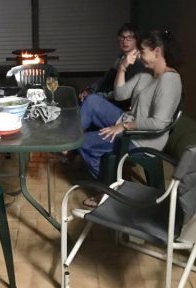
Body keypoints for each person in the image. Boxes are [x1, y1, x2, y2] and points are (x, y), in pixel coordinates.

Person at [78, 30, 182, 201]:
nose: (139, 55)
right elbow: (120, 95)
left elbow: (158, 123)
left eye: (143, 51)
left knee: (84, 143)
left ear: (157, 52)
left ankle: (107, 192)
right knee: (92, 101)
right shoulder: (146, 74)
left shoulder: (170, 81)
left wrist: (123, 127)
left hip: (142, 139)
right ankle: (70, 142)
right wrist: (122, 67)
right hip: (128, 122)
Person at [78, 23, 146, 107]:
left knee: (88, 102)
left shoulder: (138, 62)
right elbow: (105, 80)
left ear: (137, 40)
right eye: (122, 37)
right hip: (104, 97)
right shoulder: (120, 58)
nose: (124, 41)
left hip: (119, 103)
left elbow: (122, 93)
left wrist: (97, 96)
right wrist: (90, 90)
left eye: (129, 38)